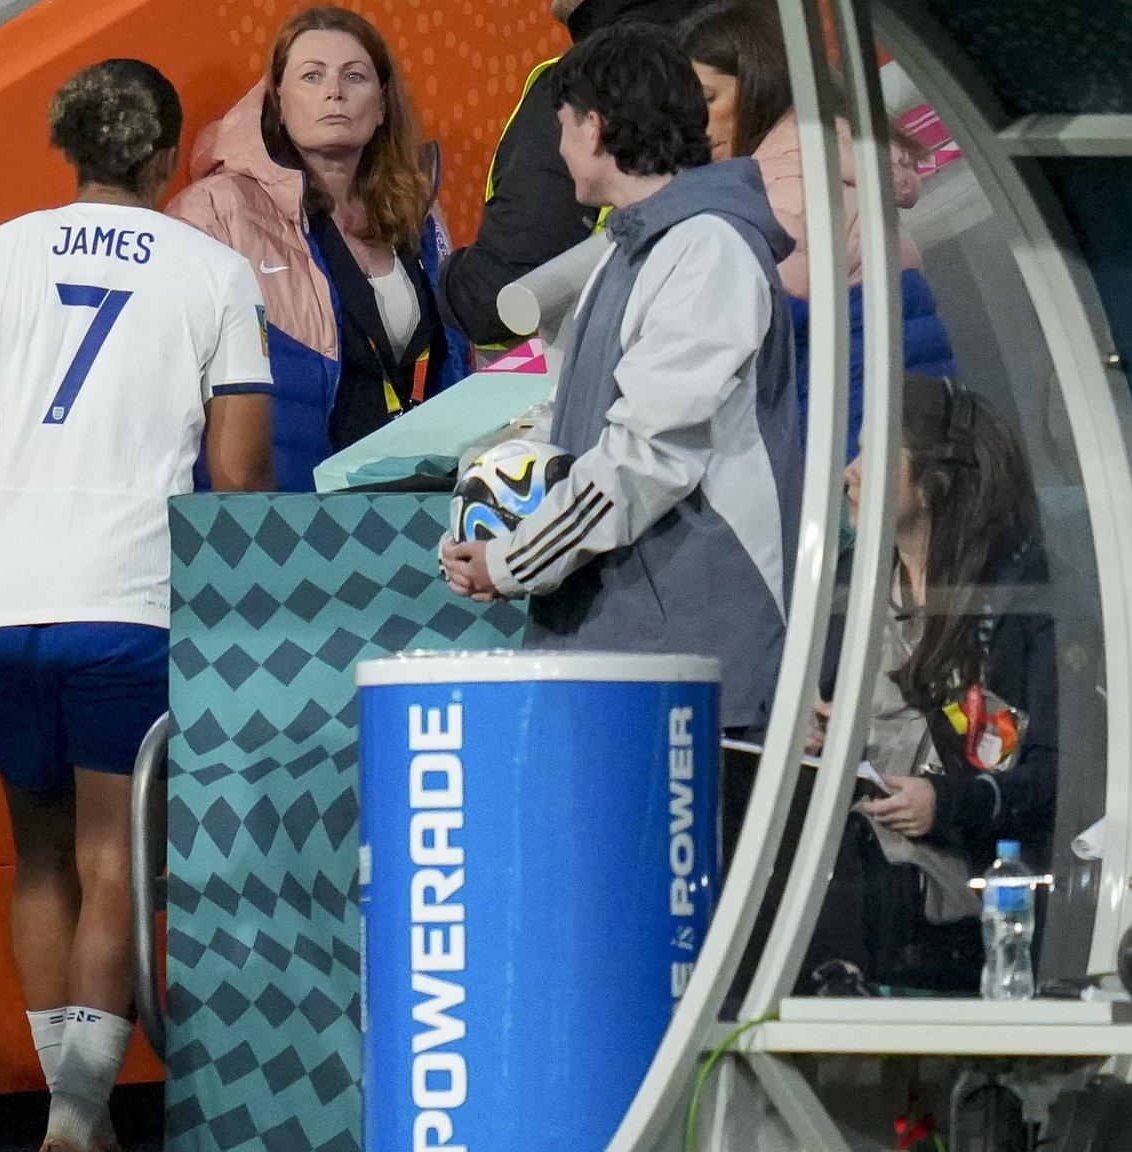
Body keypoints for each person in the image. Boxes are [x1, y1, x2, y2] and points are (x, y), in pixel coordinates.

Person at [0, 60, 272, 1152]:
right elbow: (237, 478)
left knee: (37, 856)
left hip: (2, 607)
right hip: (131, 601)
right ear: (162, 154)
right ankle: (75, 1116)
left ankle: (71, 1118)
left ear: (69, 145)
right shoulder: (215, 272)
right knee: (114, 863)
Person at [439, 25, 802, 749]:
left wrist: (514, 561)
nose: (561, 149)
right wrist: (492, 505)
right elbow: (577, 424)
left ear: (595, 128)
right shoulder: (631, 251)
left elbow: (645, 458)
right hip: (624, 644)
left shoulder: (708, 250)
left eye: (563, 128)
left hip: (694, 652)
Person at [805, 375, 1058, 994]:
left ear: (934, 480)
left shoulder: (1020, 598)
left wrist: (945, 804)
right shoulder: (849, 587)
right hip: (855, 868)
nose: (850, 473)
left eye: (875, 453)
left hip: (962, 900)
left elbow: (1058, 775)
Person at [168, 5, 470, 490]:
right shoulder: (217, 209)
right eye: (312, 76)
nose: (335, 92)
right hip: (289, 521)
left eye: (355, 76)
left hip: (417, 503)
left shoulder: (417, 210)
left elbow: (449, 361)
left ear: (382, 106)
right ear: (278, 102)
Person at [679, 1, 956, 460]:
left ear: (761, 84)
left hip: (853, 442)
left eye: (709, 100)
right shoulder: (832, 146)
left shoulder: (784, 179)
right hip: (908, 418)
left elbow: (758, 320)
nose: (697, 126)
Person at [437, 0, 697, 351]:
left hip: (610, 362)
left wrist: (438, 278)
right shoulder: (750, 46)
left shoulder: (593, 80)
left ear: (593, 128)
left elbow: (494, 295)